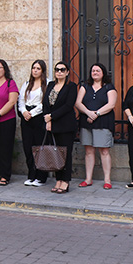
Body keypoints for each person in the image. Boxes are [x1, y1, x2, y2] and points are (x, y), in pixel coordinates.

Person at [75, 63, 117, 189]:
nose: (95, 73)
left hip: (103, 122)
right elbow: (78, 102)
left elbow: (111, 105)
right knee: (88, 151)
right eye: (93, 71)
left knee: (104, 151)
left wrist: (96, 114)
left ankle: (107, 180)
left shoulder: (109, 87)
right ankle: (88, 179)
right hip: (86, 122)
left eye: (98, 70)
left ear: (103, 73)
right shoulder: (85, 86)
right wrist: (88, 113)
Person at [43, 61, 78, 194]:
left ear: (67, 72)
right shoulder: (51, 85)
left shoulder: (72, 86)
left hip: (66, 125)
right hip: (52, 125)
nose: (59, 72)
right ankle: (58, 179)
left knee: (65, 154)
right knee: (56, 154)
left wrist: (51, 116)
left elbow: (68, 106)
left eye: (62, 70)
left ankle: (65, 181)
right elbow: (45, 102)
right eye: (57, 70)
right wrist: (48, 120)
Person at [19, 60, 48, 186]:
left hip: (38, 117)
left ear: (42, 71)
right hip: (26, 117)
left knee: (39, 147)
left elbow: (45, 102)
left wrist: (33, 113)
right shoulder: (26, 84)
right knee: (28, 147)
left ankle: (41, 177)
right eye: (33, 68)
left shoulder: (47, 84)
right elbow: (20, 100)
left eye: (38, 68)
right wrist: (24, 112)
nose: (35, 70)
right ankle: (31, 174)